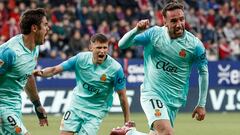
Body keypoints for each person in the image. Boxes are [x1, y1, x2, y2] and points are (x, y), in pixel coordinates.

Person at [118, 1, 209, 135]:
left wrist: (201, 104)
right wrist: (136, 29)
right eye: (173, 21)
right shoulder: (154, 34)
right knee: (167, 133)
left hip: (174, 101)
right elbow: (122, 44)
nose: (179, 24)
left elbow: (203, 72)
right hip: (152, 93)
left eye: (181, 19)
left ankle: (129, 133)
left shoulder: (195, 45)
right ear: (165, 21)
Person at [34, 33, 131, 135]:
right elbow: (54, 70)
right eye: (98, 47)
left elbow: (122, 96)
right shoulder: (80, 59)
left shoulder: (115, 68)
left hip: (96, 112)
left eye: (105, 47)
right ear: (91, 47)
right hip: (76, 106)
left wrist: (126, 123)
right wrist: (40, 73)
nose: (102, 51)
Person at [0, 8, 49, 135]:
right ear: (34, 28)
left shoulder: (35, 49)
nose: (48, 29)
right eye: (45, 25)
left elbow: (27, 76)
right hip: (3, 107)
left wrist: (37, 105)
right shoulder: (10, 52)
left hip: (15, 106)